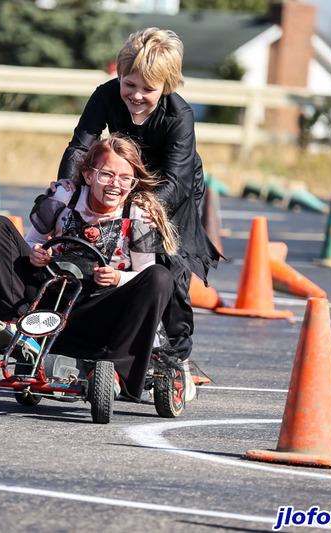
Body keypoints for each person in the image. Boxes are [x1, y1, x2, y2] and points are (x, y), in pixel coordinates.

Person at [52, 28, 222, 398]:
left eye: (148, 89)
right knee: (92, 246)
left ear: (167, 86)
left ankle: (176, 359)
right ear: (119, 77)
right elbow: (80, 146)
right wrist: (65, 188)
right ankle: (88, 342)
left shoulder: (180, 116)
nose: (137, 96)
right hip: (119, 177)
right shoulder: (105, 96)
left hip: (170, 187)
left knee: (170, 263)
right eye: (130, 85)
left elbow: (176, 181)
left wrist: (139, 204)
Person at [0, 134, 176, 402]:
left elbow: (144, 274)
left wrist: (118, 277)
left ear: (133, 183)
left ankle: (113, 371)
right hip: (49, 298)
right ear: (88, 175)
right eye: (107, 174)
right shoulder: (65, 197)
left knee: (160, 278)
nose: (115, 184)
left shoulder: (138, 214)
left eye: (125, 178)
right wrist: (38, 254)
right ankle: (16, 328)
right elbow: (31, 243)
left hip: (99, 310)